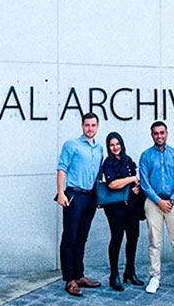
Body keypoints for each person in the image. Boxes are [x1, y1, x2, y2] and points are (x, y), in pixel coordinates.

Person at [139, 121, 174, 295]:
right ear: (152, 135)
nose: (159, 136)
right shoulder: (146, 156)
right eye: (156, 133)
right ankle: (154, 277)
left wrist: (170, 200)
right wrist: (158, 201)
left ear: (166, 133)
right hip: (153, 203)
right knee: (154, 243)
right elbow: (144, 182)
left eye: (162, 133)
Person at [56, 112, 103, 297]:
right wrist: (61, 193)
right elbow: (61, 168)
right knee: (70, 237)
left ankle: (79, 275)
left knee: (82, 237)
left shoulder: (99, 148)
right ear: (82, 126)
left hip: (90, 197)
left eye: (93, 125)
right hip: (73, 195)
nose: (90, 128)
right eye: (87, 125)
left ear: (97, 127)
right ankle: (70, 280)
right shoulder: (71, 145)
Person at [102, 132, 145, 292]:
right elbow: (113, 184)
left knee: (133, 237)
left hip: (131, 206)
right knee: (117, 238)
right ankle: (114, 275)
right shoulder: (107, 163)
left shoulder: (128, 161)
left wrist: (136, 186)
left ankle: (130, 271)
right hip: (115, 207)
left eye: (117, 144)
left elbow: (135, 181)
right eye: (112, 145)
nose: (115, 147)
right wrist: (131, 179)